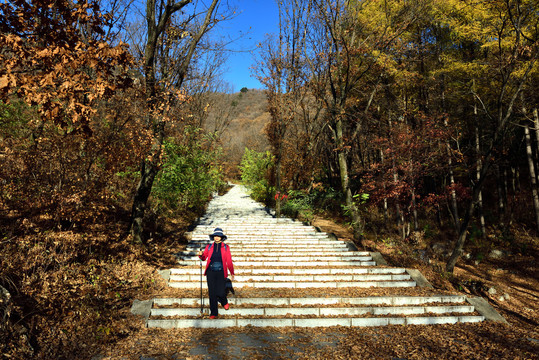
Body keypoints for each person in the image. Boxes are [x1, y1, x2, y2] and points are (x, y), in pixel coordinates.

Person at [197, 227, 235, 319]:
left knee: (221, 292)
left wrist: (232, 272)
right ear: (213, 237)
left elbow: (229, 261)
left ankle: (224, 301)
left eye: (219, 236)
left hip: (221, 271)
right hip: (210, 271)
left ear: (222, 237)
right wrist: (200, 255)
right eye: (215, 236)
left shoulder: (226, 247)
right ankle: (213, 312)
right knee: (212, 292)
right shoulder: (209, 247)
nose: (217, 237)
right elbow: (204, 258)